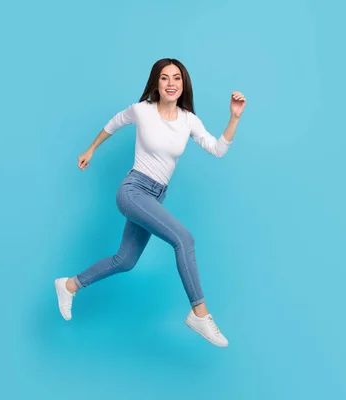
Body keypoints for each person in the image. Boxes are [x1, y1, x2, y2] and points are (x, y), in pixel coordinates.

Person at [54, 58, 246, 347]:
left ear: (184, 84)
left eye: (177, 78)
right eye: (165, 78)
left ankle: (69, 285)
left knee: (125, 260)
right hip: (133, 190)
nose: (171, 84)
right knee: (185, 239)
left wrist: (234, 118)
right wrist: (90, 149)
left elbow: (217, 149)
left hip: (155, 196)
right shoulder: (142, 110)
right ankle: (199, 313)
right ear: (156, 82)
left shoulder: (188, 120)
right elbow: (113, 124)